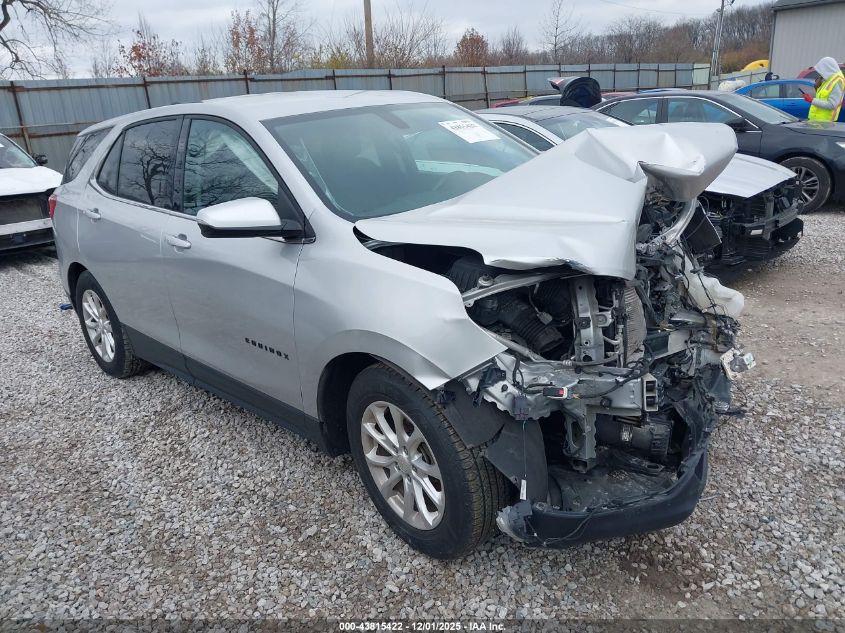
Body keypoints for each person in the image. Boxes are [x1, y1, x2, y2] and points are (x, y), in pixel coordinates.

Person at [803, 57, 844, 122]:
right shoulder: (828, 77)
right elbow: (822, 96)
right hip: (817, 120)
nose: (820, 72)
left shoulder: (837, 81)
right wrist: (818, 84)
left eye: (822, 70)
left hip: (825, 122)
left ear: (827, 68)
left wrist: (812, 100)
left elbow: (832, 105)